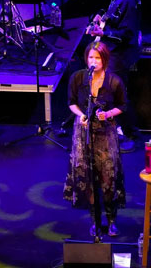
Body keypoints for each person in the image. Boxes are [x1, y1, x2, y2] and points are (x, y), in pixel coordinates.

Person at [63, 41, 127, 238]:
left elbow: (123, 106)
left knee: (108, 176)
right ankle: (95, 221)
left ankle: (112, 219)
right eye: (91, 57)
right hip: (83, 132)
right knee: (88, 176)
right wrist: (80, 115)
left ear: (104, 59)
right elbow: (72, 103)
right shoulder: (78, 77)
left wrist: (108, 114)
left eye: (97, 58)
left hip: (106, 132)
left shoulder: (114, 81)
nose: (93, 61)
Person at [86, 0, 141, 152]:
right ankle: (117, 129)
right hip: (114, 49)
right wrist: (101, 20)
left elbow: (127, 34)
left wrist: (104, 33)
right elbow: (113, 17)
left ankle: (131, 135)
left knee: (119, 93)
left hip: (122, 53)